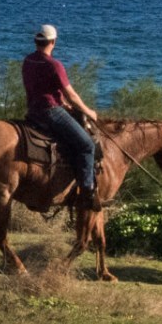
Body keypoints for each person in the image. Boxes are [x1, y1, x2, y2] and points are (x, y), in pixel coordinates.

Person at [22, 23, 102, 207]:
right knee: (87, 145)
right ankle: (87, 192)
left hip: (33, 112)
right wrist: (88, 111)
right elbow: (72, 95)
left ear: (36, 41)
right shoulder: (54, 65)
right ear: (53, 42)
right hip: (51, 112)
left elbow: (39, 88)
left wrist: (61, 102)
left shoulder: (28, 60)